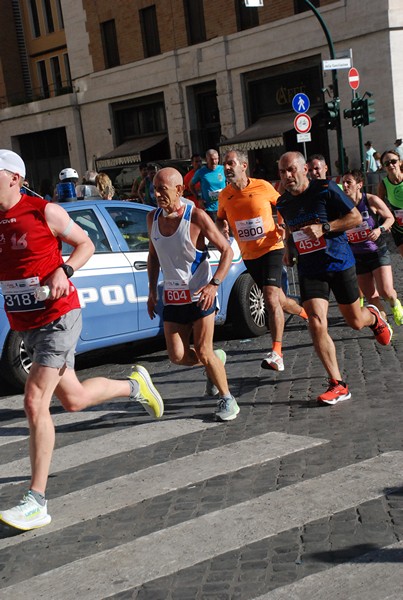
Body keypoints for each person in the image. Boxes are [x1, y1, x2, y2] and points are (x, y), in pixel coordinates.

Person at [0, 149, 163, 531]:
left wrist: (64, 269)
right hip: (27, 324)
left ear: (13, 178)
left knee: (34, 399)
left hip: (60, 316)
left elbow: (85, 244)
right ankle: (133, 385)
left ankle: (36, 500)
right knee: (72, 400)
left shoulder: (45, 212)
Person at [276, 151, 392, 405]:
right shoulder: (283, 203)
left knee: (354, 321)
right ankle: (338, 383)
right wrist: (289, 249)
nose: (287, 176)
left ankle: (373, 317)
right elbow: (291, 230)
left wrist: (325, 227)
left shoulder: (326, 189)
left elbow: (356, 218)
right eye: (282, 172)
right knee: (316, 322)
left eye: (291, 170)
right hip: (310, 268)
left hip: (339, 262)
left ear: (304, 169)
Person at [146, 167, 239, 421]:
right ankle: (215, 362)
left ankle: (227, 398)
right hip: (174, 298)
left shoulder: (196, 217)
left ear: (179, 189)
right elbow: (153, 257)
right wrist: (152, 291)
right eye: (154, 189)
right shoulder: (152, 218)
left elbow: (226, 251)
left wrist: (214, 284)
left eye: (162, 189)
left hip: (201, 296)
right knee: (176, 356)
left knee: (203, 349)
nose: (156, 194)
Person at [216, 149, 308, 373]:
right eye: (225, 165)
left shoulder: (262, 186)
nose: (226, 168)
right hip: (249, 255)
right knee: (279, 298)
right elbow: (220, 218)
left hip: (271, 248)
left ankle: (277, 353)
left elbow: (284, 204)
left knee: (269, 296)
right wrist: (222, 228)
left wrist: (283, 226)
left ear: (243, 166)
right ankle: (304, 312)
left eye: (230, 163)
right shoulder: (224, 195)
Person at [342, 169, 403, 325]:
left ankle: (395, 303)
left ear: (359, 185)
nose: (345, 185)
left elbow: (390, 218)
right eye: (343, 182)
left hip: (377, 251)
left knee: (386, 291)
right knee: (371, 297)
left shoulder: (370, 200)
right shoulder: (341, 205)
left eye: (349, 182)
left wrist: (379, 229)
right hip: (357, 256)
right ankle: (384, 325)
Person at [377, 149, 403, 259]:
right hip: (399, 227)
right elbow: (379, 206)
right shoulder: (383, 184)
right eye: (387, 163)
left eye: (393, 161)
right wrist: (385, 221)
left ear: (400, 162)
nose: (391, 165)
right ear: (383, 167)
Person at [189, 148, 226, 221]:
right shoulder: (201, 172)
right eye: (211, 159)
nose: (214, 162)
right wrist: (198, 198)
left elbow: (230, 183)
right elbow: (191, 185)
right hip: (210, 208)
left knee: (228, 230)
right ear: (206, 160)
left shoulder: (223, 169)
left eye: (216, 159)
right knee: (216, 230)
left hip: (224, 205)